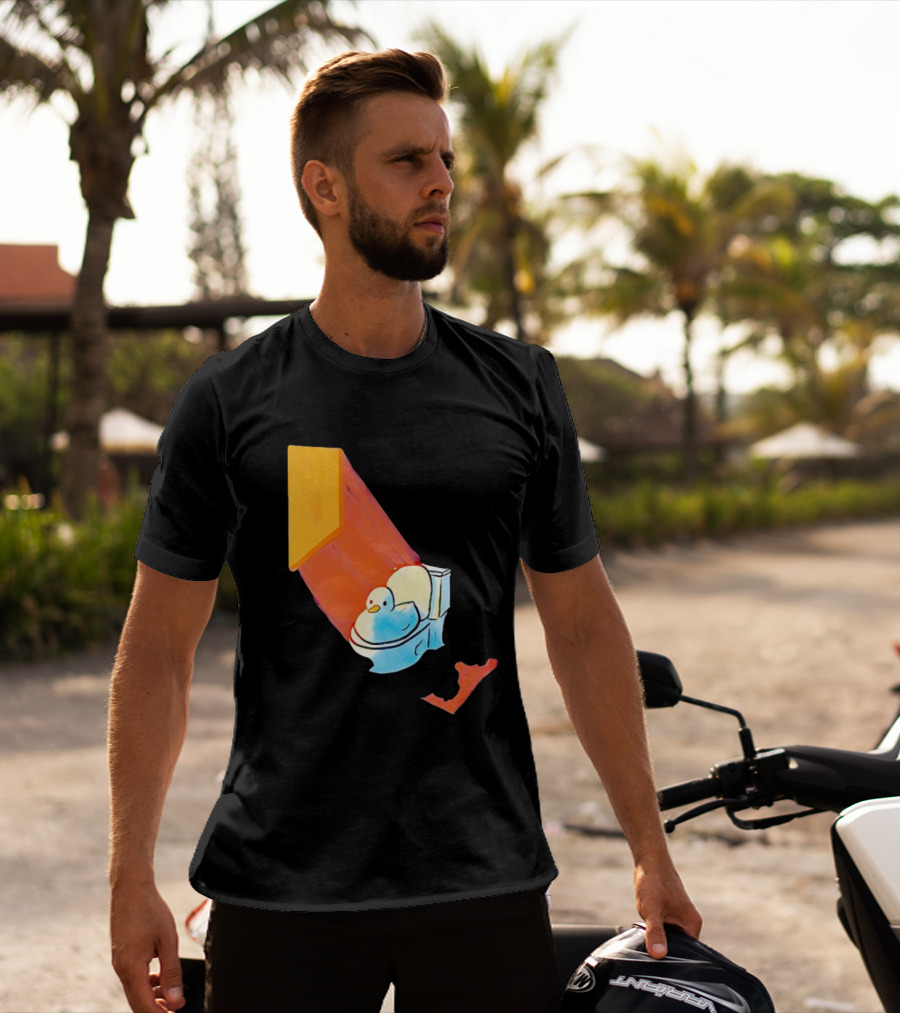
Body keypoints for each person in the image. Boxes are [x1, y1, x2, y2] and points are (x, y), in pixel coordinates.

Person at [108, 48, 701, 1013]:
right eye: (407, 161)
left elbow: (585, 627)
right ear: (325, 187)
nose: (442, 183)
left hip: (485, 876)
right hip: (280, 881)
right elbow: (156, 653)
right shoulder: (230, 402)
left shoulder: (520, 384)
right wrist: (129, 873)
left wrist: (650, 846)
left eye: (446, 157)